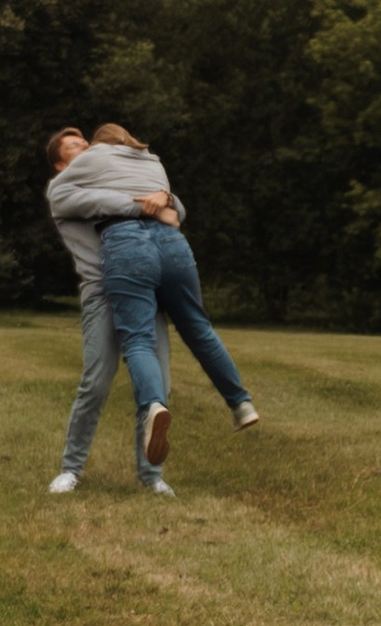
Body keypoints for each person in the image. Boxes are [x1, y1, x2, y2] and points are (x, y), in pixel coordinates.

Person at [42, 124, 259, 496]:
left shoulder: (111, 173)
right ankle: (71, 469)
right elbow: (115, 203)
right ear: (62, 165)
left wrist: (166, 198)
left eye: (87, 144)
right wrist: (153, 202)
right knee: (96, 382)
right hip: (102, 294)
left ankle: (151, 476)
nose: (87, 150)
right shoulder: (62, 192)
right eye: (76, 148)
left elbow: (177, 208)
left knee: (157, 381)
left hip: (142, 288)